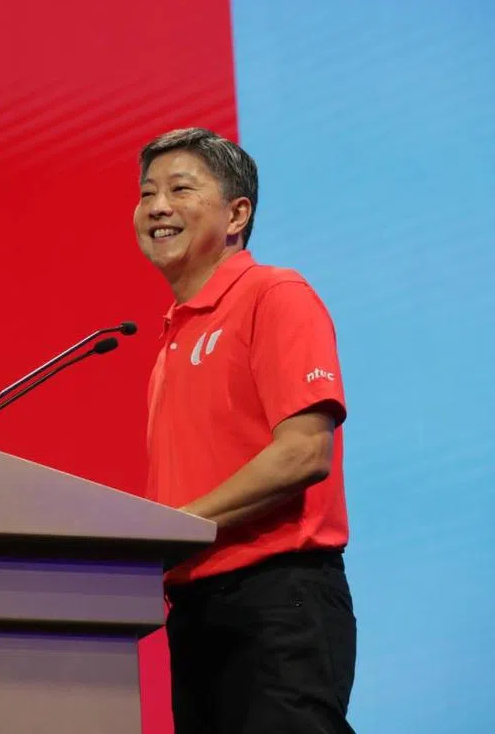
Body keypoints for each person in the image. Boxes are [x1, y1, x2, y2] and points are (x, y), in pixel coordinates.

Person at [133, 128, 357, 733]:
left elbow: (304, 453)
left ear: (237, 214)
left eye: (180, 189)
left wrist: (176, 528)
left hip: (277, 600)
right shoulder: (173, 335)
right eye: (147, 193)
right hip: (195, 609)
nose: (157, 207)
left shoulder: (274, 294)